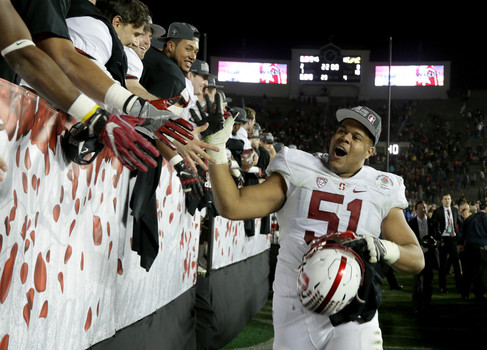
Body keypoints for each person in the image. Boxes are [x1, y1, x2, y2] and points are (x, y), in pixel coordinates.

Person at [205, 105, 424, 349]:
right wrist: (215, 151)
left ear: (370, 151)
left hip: (354, 310)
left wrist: (385, 249)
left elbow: (416, 259)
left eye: (356, 137)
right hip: (295, 307)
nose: (344, 138)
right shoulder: (299, 168)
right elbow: (232, 206)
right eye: (342, 131)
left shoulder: (381, 186)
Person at [0, 0, 160, 173]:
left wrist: (97, 117)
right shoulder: (94, 25)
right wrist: (109, 113)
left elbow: (21, 52)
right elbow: (62, 59)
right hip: (25, 122)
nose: (138, 43)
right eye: (136, 34)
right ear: (118, 22)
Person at [408, 200, 440, 313]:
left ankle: (427, 304)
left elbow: (439, 238)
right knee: (416, 281)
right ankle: (416, 305)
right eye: (421, 208)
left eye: (425, 208)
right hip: (416, 255)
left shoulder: (433, 223)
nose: (423, 210)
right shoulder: (410, 224)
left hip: (430, 255)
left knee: (428, 281)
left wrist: (435, 243)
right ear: (416, 210)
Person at [431, 193, 463, 293]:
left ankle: (459, 286)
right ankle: (442, 287)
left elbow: (460, 223)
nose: (447, 201)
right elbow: (433, 225)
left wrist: (459, 236)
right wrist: (438, 237)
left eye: (448, 199)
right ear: (442, 201)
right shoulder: (437, 211)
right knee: (443, 265)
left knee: (456, 264)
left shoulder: (454, 210)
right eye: (445, 199)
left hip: (453, 238)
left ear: (451, 200)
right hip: (443, 240)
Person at [458, 200, 487, 300]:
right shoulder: (485, 218)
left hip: (469, 248)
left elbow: (461, 232)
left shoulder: (470, 218)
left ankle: (465, 293)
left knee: (468, 272)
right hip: (481, 249)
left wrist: (461, 243)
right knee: (480, 272)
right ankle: (479, 293)